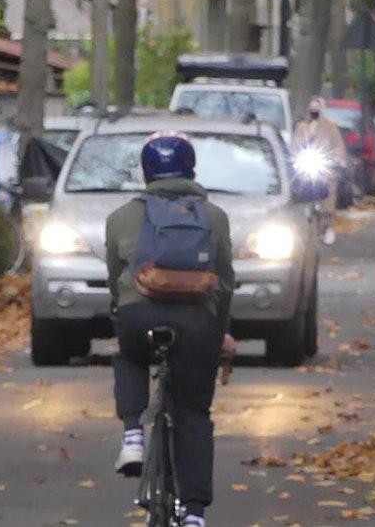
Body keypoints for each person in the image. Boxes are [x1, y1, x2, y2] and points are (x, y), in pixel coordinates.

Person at [105, 134, 237, 527]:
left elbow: (115, 280)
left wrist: (121, 314)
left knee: (127, 353)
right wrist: (221, 331)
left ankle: (132, 436)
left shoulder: (121, 216)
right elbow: (226, 280)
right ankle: (194, 514)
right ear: (192, 171)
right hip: (197, 323)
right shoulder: (214, 217)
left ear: (146, 173)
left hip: (138, 317)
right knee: (194, 413)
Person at [289, 97, 352, 236]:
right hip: (306, 163)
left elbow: (338, 146)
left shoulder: (330, 127)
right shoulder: (302, 127)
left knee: (329, 187)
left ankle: (327, 220)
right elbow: (295, 145)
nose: (314, 111)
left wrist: (339, 160)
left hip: (325, 165)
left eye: (317, 109)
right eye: (312, 109)